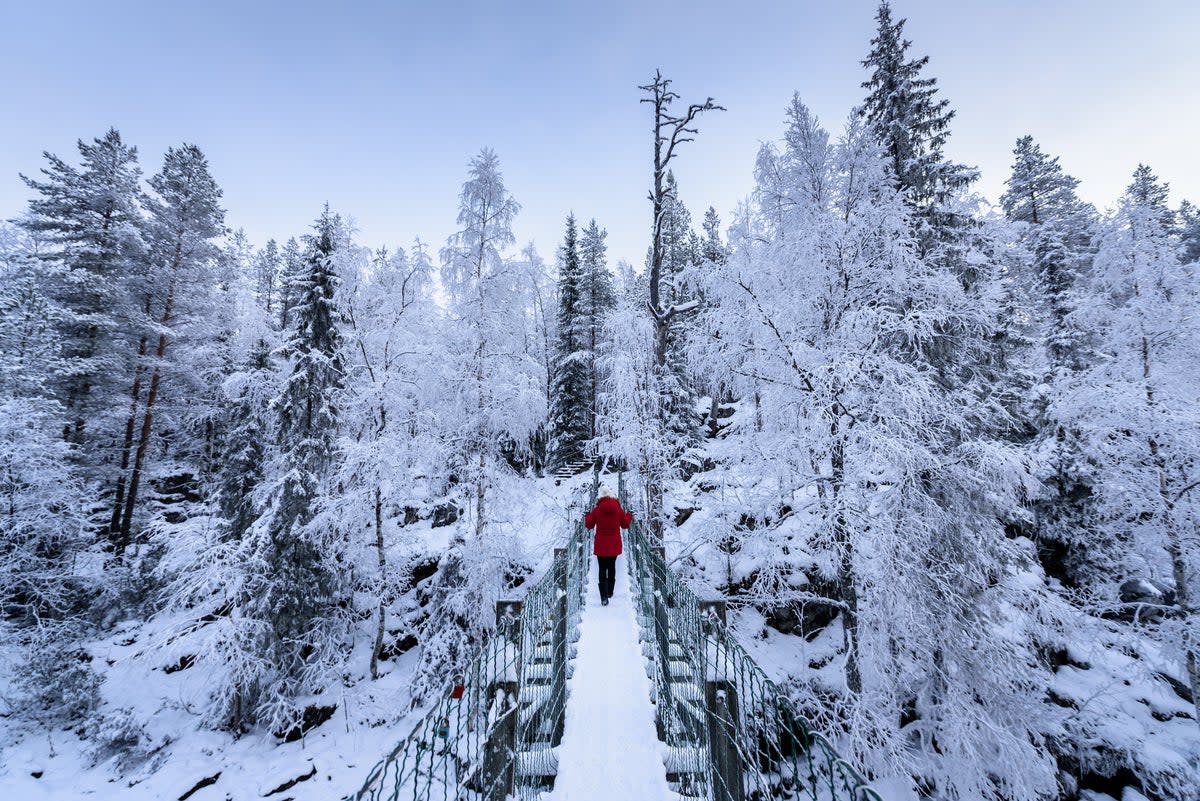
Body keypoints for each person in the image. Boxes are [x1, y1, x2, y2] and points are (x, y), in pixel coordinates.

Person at [585, 484, 632, 606]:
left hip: (601, 544)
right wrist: (629, 515)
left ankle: (604, 597)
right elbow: (625, 525)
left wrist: (587, 516)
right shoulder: (618, 509)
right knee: (611, 567)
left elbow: (589, 525)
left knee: (602, 568)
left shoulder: (597, 509)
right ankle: (610, 592)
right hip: (614, 544)